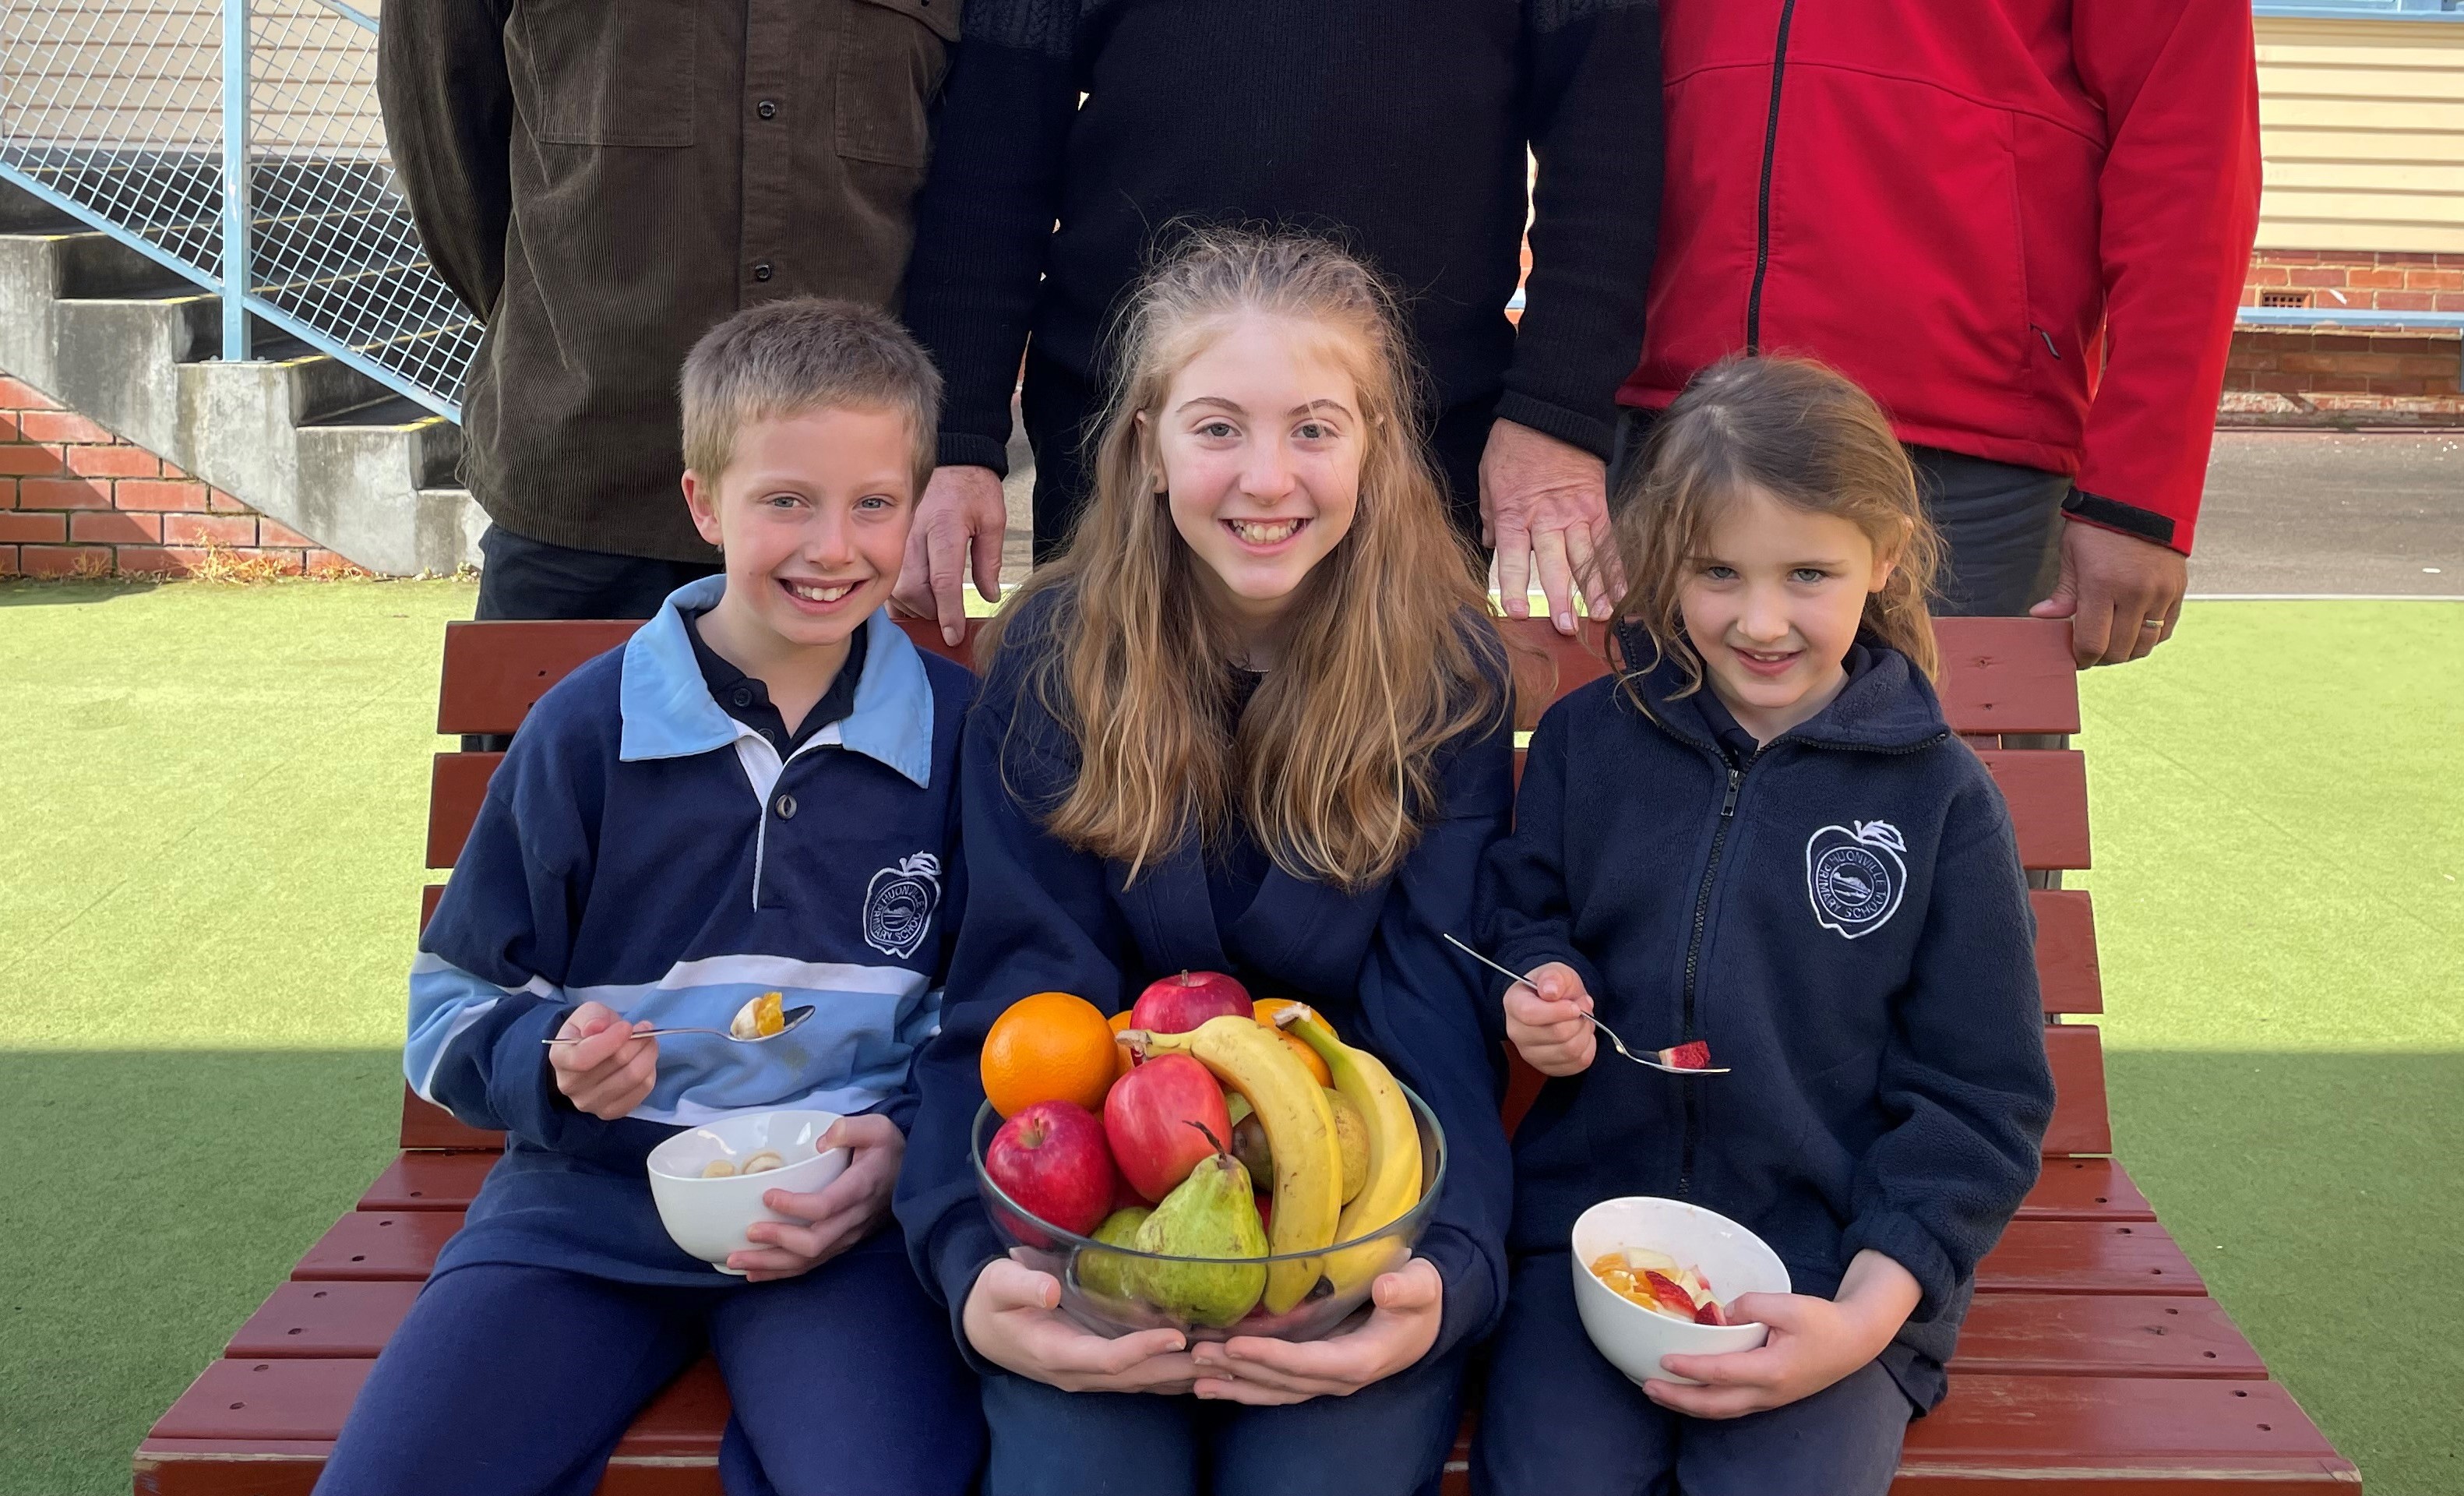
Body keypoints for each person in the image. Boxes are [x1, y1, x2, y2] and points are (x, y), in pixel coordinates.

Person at [315, 301, 983, 1496]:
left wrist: (901, 1154)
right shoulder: (584, 728)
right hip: (580, 1212)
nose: (833, 546)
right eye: (785, 500)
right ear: (701, 503)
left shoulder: (959, 733)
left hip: (839, 1222)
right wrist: (549, 1059)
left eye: (873, 504)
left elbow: (989, 1004)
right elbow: (449, 1006)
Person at [892, 231, 1516, 1496]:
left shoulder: (1443, 670)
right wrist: (974, 1266)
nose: (1266, 478)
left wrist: (1436, 1276)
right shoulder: (1052, 660)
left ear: (1378, 448)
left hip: (1346, 1199)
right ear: (1145, 442)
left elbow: (1435, 1007)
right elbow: (1013, 999)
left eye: (1315, 429)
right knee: (1079, 1473)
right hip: (1088, 1202)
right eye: (1218, 427)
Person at [1473, 356, 2056, 1495]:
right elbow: (1515, 909)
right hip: (1589, 1245)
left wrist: (1863, 1318)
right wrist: (1534, 983)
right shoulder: (1592, 743)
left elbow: (1980, 1102)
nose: (1758, 620)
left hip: (1828, 1264)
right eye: (1715, 573)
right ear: (1660, 568)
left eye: (1806, 573)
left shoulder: (1939, 802)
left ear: (1880, 559)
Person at [888, 0, 1666, 645]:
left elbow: (1608, 146)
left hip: (1413, 446)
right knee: (1106, 774)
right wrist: (956, 437)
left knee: (1388, 786)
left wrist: (1556, 418)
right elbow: (989, 163)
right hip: (1129, 441)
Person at [1621, 0, 2261, 665]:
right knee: (1658, 760)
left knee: (1953, 761)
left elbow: (2189, 159)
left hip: (1968, 450)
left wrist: (2137, 495)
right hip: (1679, 421)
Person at [379, 0, 956, 622]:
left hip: (847, 529)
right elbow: (446, 151)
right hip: (587, 488)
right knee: (554, 719)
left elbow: (975, 186)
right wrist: (561, 312)